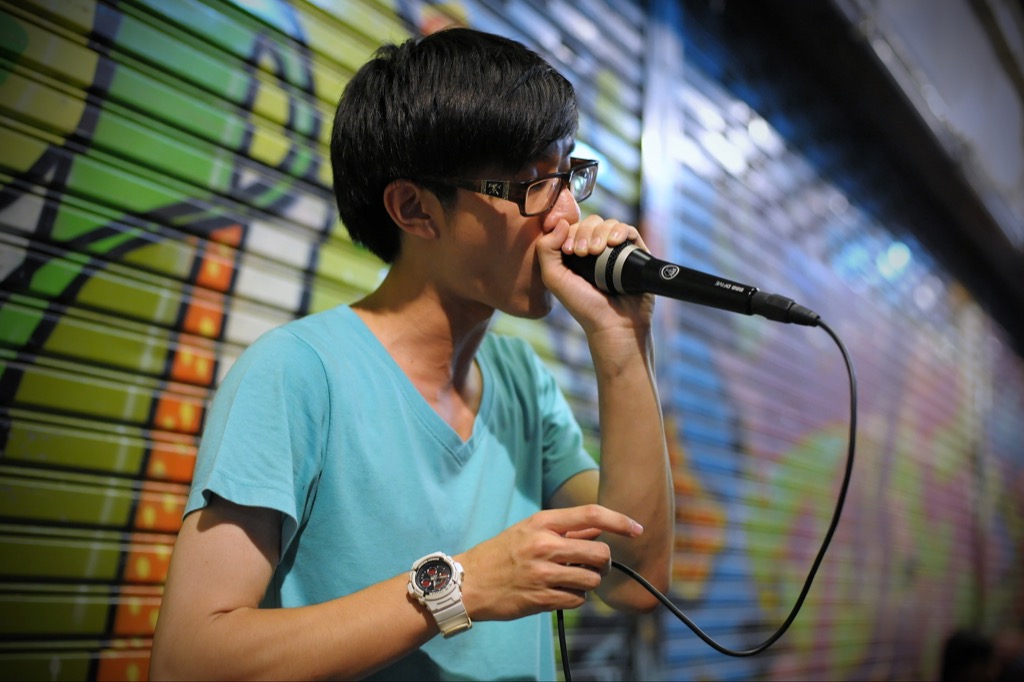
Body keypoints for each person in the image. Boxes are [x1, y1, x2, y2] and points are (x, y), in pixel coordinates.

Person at [150, 27, 673, 681]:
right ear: (414, 209)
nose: (566, 215)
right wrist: (462, 587)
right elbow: (189, 660)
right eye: (532, 183)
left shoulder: (521, 382)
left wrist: (623, 343)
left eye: (568, 174)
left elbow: (634, 579)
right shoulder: (297, 373)